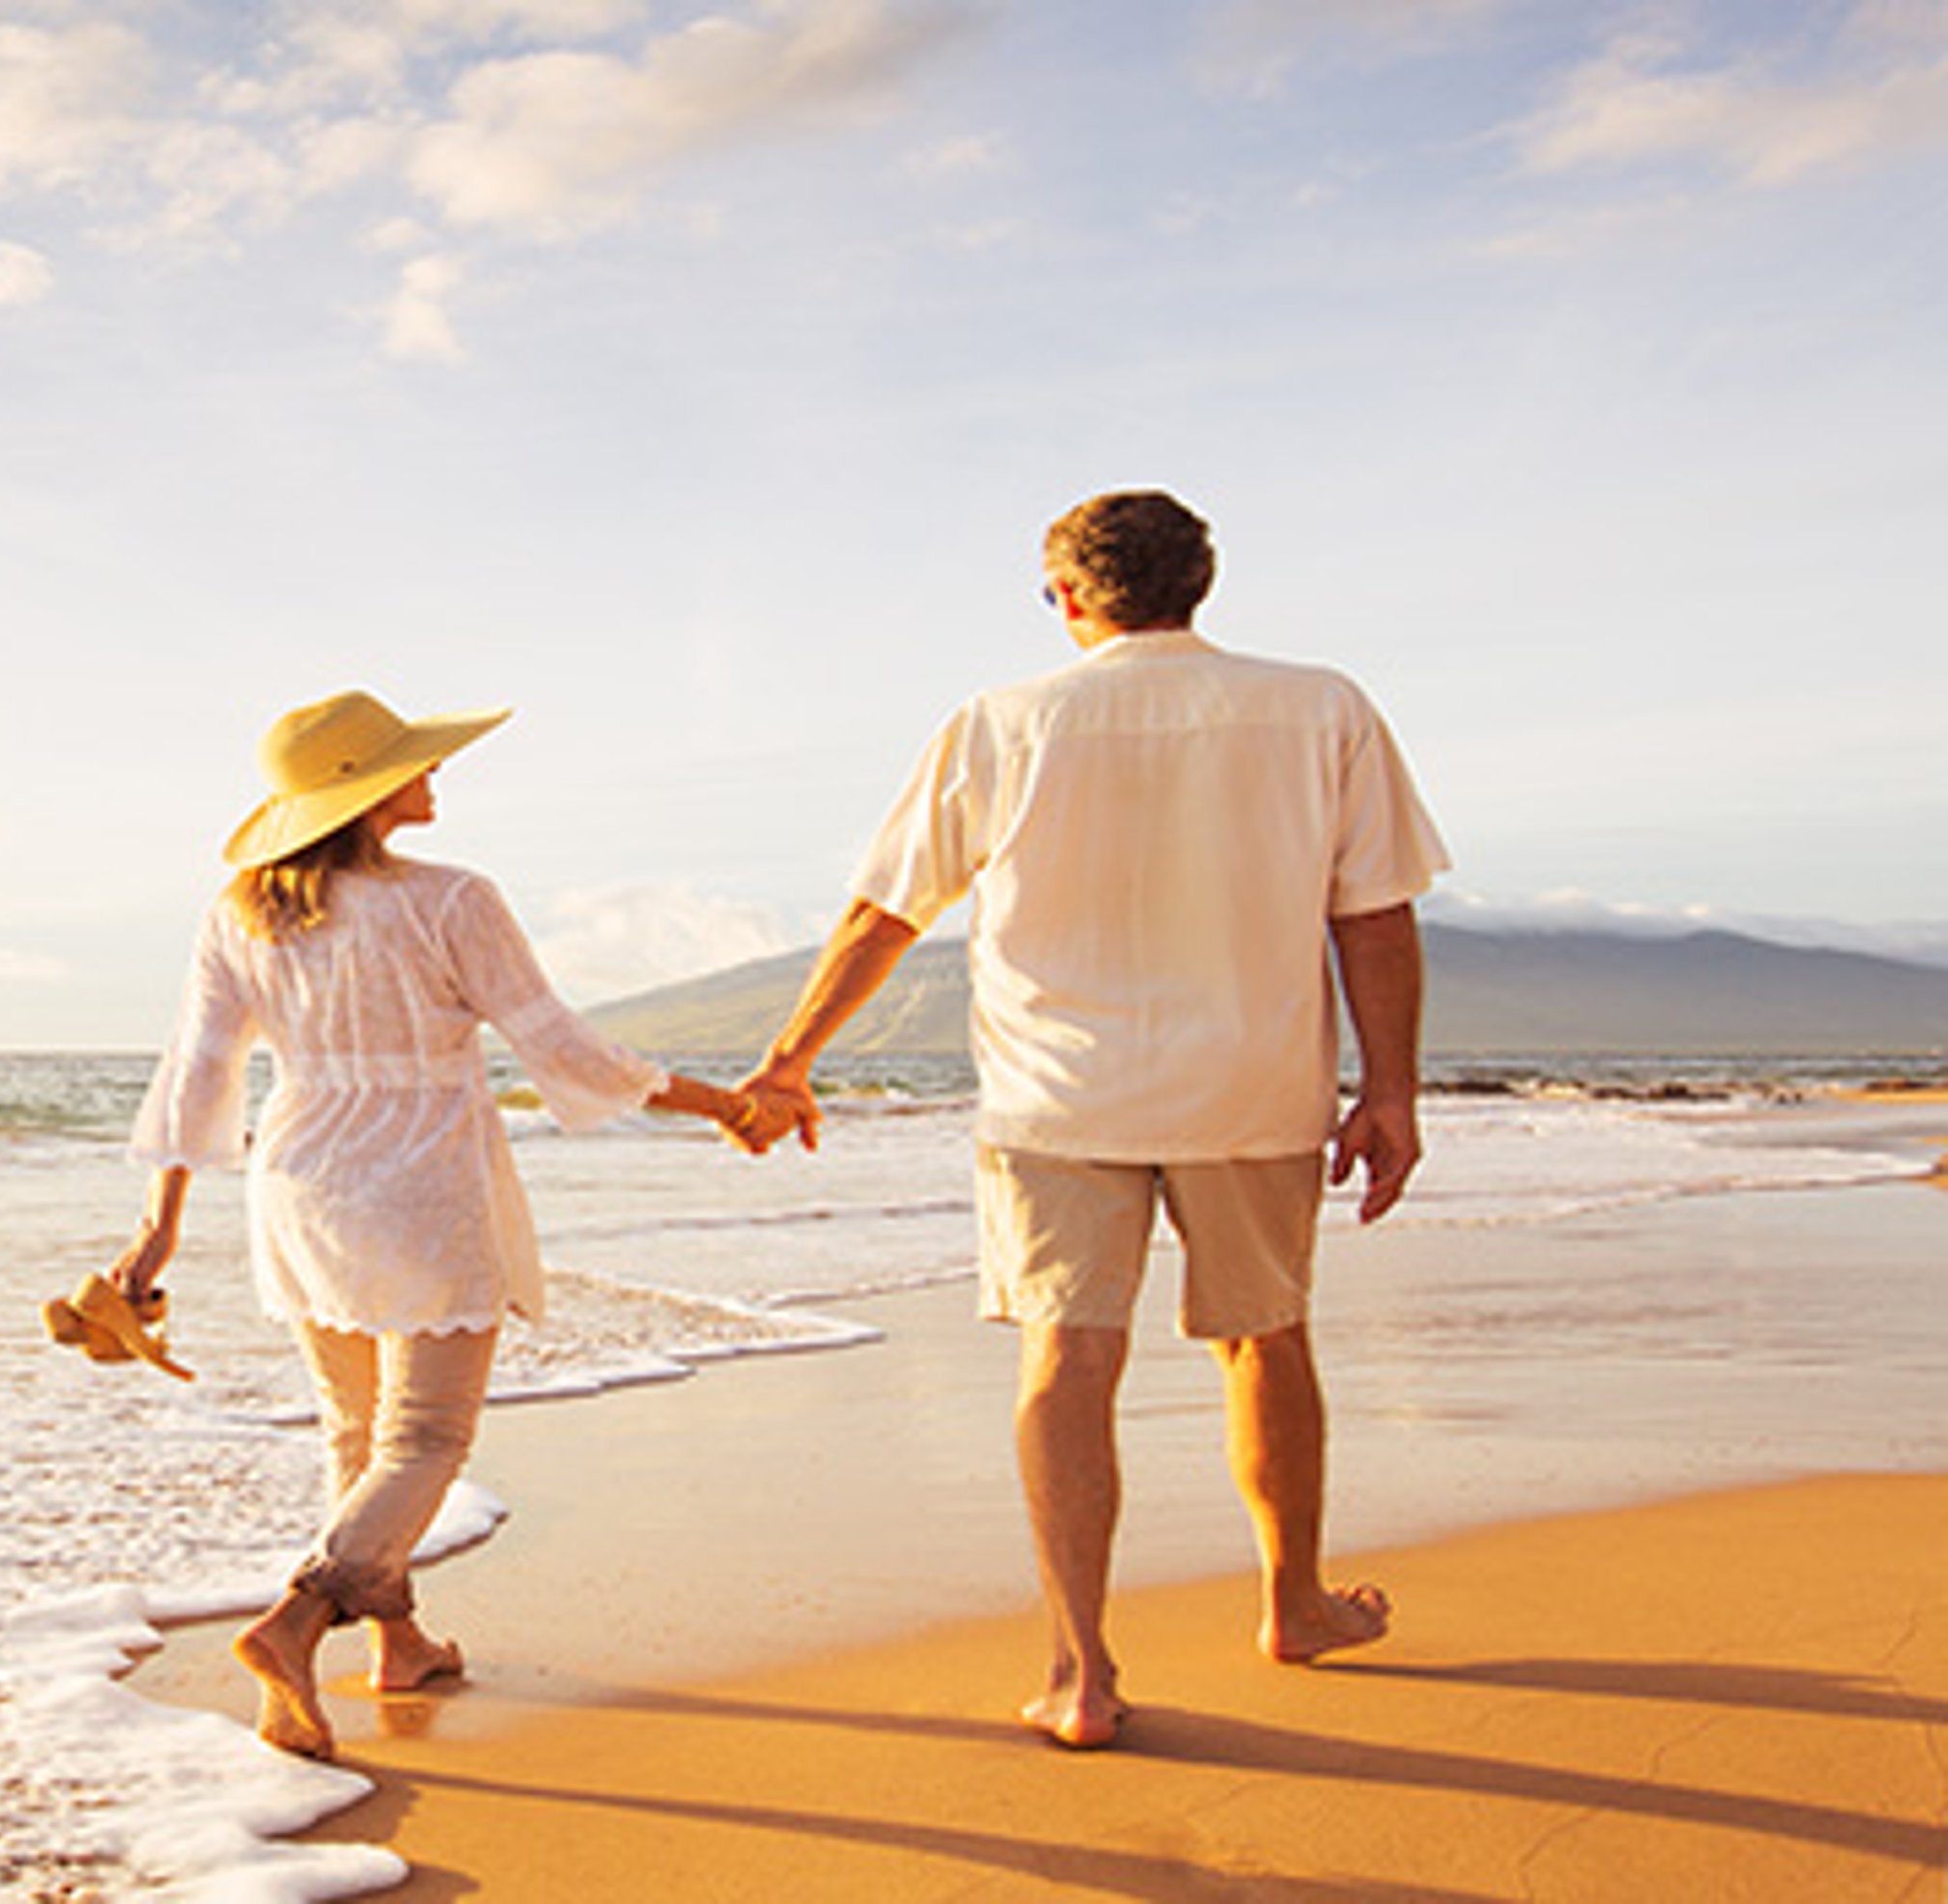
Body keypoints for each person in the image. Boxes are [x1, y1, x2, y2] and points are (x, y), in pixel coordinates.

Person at [736, 489, 1450, 1750]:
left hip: (1055, 1099)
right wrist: (1389, 1091)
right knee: (1267, 1339)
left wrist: (790, 1062)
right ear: (1203, 581)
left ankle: (1079, 1670)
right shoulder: (1320, 703)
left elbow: (884, 914)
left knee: (1067, 1359)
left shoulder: (1001, 721)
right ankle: (1295, 1606)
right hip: (1254, 1085)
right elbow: (1374, 916)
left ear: (1067, 596)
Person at [113, 689, 776, 1760]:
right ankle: (295, 1620)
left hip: (296, 1182)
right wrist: (731, 1104)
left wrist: (156, 1235)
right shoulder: (452, 899)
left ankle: (399, 1643)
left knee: (355, 1429)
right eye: (415, 763)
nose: (436, 775)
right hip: (419, 1183)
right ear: (372, 794)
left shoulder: (240, 909)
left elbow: (198, 1077)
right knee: (423, 1438)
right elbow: (566, 1050)